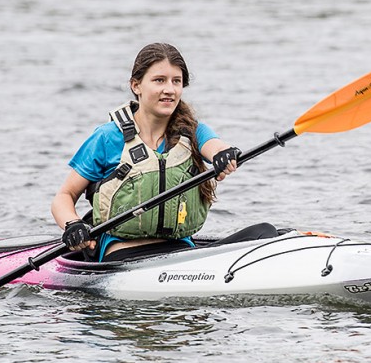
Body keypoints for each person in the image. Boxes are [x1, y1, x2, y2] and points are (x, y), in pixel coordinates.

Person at [52, 43, 241, 262]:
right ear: (136, 86)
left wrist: (224, 155)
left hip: (181, 250)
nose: (169, 89)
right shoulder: (107, 138)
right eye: (159, 80)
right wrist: (72, 224)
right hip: (123, 253)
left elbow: (216, 146)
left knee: (264, 231)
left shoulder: (192, 131)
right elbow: (64, 196)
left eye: (176, 81)